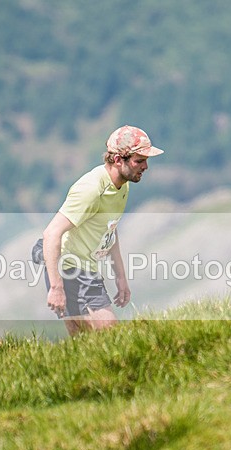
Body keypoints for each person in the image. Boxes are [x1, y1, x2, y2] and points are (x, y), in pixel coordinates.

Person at [35, 125, 164, 336]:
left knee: (86, 340)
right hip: (69, 266)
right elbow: (51, 234)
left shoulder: (122, 186)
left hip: (87, 268)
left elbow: (109, 229)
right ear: (118, 160)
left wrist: (120, 277)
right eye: (139, 161)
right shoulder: (92, 189)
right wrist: (56, 288)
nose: (146, 166)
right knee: (110, 335)